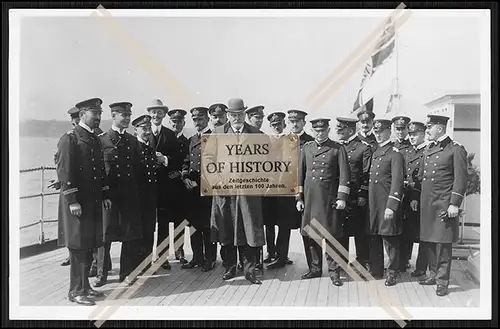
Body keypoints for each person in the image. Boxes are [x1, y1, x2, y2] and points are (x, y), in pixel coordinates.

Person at [56, 97, 111, 305]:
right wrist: (72, 200)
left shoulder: (94, 139)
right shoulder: (70, 139)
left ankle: (86, 287)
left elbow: (100, 171)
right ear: (82, 115)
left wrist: (105, 195)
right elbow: (65, 171)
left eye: (99, 113)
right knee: (78, 247)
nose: (98, 117)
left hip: (93, 202)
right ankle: (76, 291)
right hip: (78, 204)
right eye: (94, 113)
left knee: (89, 244)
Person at [211, 98, 266, 285]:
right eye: (233, 115)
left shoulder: (256, 133)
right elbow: (208, 159)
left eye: (240, 114)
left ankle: (250, 270)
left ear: (245, 114)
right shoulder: (217, 133)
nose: (237, 118)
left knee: (248, 230)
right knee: (227, 229)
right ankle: (230, 268)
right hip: (225, 193)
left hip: (248, 193)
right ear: (228, 115)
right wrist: (217, 181)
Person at [296, 118, 350, 286]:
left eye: (322, 130)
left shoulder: (337, 149)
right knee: (312, 236)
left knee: (331, 236)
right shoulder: (306, 148)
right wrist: (299, 198)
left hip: (329, 200)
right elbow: (300, 174)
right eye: (316, 131)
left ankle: (334, 273)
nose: (319, 134)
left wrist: (342, 198)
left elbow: (344, 175)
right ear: (312, 131)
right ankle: (314, 268)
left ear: (328, 130)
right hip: (311, 199)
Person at [418, 115, 467, 297]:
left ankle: (442, 281)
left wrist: (454, 203)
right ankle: (433, 274)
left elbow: (461, 179)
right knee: (429, 241)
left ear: (439, 128)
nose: (427, 130)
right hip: (428, 203)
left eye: (429, 127)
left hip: (444, 204)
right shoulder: (430, 148)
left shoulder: (455, 149)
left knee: (443, 244)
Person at [96, 102, 143, 287]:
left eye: (128, 115)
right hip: (109, 197)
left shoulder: (132, 141)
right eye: (123, 115)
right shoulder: (102, 140)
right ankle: (102, 274)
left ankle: (126, 274)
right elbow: (98, 171)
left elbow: (138, 169)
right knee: (104, 237)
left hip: (129, 197)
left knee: (129, 237)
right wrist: (103, 194)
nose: (127, 118)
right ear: (113, 116)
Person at [366, 118, 405, 287]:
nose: (378, 134)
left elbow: (397, 182)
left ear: (389, 131)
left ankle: (392, 272)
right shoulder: (375, 152)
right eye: (376, 132)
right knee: (375, 237)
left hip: (386, 204)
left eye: (381, 131)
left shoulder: (395, 154)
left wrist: (392, 206)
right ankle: (377, 270)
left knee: (389, 239)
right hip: (373, 203)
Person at [335, 116, 373, 277]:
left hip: (356, 197)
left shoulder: (363, 148)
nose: (338, 131)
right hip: (340, 196)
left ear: (350, 130)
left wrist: (363, 193)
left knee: (359, 232)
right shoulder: (337, 147)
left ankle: (362, 261)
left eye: (341, 129)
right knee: (341, 231)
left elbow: (366, 174)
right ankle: (341, 262)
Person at [181, 106, 217, 272]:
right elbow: (187, 161)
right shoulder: (192, 139)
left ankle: (210, 259)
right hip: (192, 191)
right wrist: (185, 176)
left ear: (207, 119)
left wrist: (201, 183)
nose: (197, 122)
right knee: (193, 225)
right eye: (195, 119)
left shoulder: (215, 138)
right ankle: (197, 257)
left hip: (207, 191)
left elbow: (217, 167)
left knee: (207, 226)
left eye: (200, 119)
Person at [146, 99, 181, 271]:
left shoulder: (170, 134)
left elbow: (177, 159)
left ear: (164, 114)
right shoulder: (143, 132)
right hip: (147, 188)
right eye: (153, 112)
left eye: (159, 112)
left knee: (164, 224)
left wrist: (164, 159)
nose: (156, 115)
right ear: (149, 114)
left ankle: (163, 257)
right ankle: (145, 257)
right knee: (147, 223)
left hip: (165, 188)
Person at [132, 114, 159, 275]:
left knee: (150, 231)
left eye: (149, 128)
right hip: (138, 199)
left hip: (150, 199)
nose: (147, 132)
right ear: (135, 130)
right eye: (144, 129)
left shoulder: (150, 150)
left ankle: (147, 264)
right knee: (138, 233)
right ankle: (137, 265)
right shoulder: (134, 149)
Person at [402, 121, 429, 278]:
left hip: (420, 199)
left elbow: (423, 179)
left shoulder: (427, 152)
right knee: (407, 231)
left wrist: (415, 195)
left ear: (423, 134)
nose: (411, 137)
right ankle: (404, 261)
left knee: (422, 235)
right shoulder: (408, 152)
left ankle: (421, 267)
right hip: (407, 198)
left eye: (415, 134)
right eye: (410, 134)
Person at [167, 108, 190, 265]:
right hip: (164, 186)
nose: (176, 124)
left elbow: (187, 161)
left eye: (179, 122)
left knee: (180, 221)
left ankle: (179, 249)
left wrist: (180, 173)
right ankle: (162, 255)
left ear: (184, 123)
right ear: (169, 123)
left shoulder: (187, 142)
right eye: (174, 122)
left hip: (180, 187)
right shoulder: (165, 139)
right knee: (163, 222)